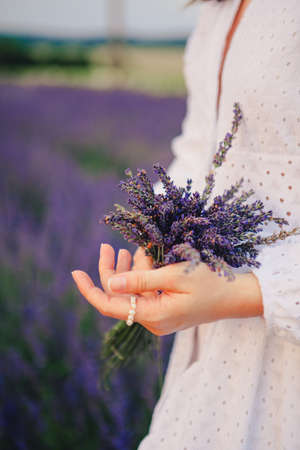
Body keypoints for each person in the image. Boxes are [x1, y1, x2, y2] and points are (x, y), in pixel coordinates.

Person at [71, 0, 300, 447]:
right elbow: (201, 149)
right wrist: (157, 239)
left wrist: (247, 293)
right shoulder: (217, 10)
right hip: (213, 347)